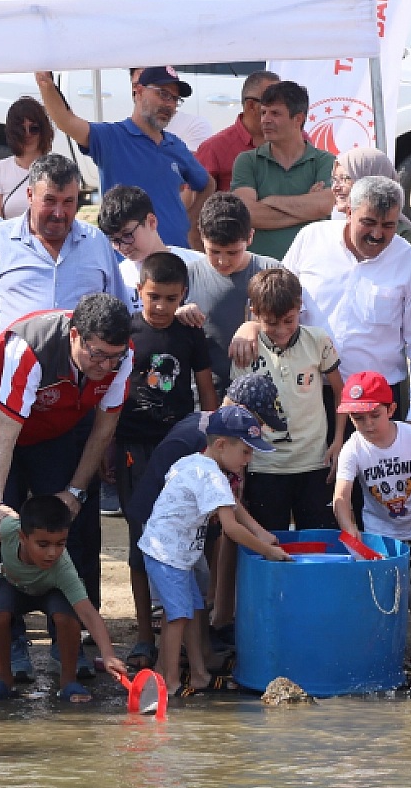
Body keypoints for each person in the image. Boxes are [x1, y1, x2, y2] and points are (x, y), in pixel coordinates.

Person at [0, 295, 134, 678]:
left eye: (114, 358)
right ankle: (13, 643)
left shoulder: (122, 356)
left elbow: (104, 430)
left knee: (66, 521)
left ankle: (68, 640)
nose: (105, 367)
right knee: (4, 521)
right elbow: (5, 436)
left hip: (56, 423)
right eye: (97, 355)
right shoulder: (29, 349)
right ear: (75, 336)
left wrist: (74, 491)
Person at [123, 372, 289, 647]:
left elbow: (227, 495)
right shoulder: (198, 439)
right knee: (148, 569)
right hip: (156, 515)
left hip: (192, 522)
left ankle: (198, 647)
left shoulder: (224, 438)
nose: (257, 432)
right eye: (258, 422)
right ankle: (146, 641)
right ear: (242, 411)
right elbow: (162, 493)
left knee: (193, 585)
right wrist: (266, 548)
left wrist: (259, 531)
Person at [138, 405, 290, 696]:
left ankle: (199, 674)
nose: (249, 460)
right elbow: (231, 528)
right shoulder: (212, 477)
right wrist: (268, 551)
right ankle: (168, 680)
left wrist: (260, 532)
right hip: (167, 555)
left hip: (174, 553)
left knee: (194, 609)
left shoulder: (194, 462)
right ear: (221, 444)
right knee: (177, 616)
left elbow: (230, 503)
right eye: (245, 452)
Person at [115, 251, 216, 666]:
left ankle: (197, 633)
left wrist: (210, 446)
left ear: (183, 296)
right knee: (141, 539)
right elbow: (111, 392)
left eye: (170, 298)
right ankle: (143, 633)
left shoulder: (192, 334)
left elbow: (207, 392)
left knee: (189, 536)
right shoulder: (125, 331)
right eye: (152, 296)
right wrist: (107, 448)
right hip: (132, 448)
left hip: (180, 449)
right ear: (139, 291)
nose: (160, 307)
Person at [263, 177, 411, 422]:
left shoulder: (410, 262)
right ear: (349, 212)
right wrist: (251, 326)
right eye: (368, 223)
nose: (377, 234)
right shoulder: (311, 239)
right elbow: (275, 299)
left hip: (375, 405)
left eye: (388, 226)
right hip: (305, 394)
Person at [0, 153, 130, 365]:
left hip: (78, 383)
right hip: (9, 380)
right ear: (30, 195)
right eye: (49, 200)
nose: (59, 213)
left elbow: (119, 313)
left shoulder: (97, 243)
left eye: (68, 202)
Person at [331, 371, 411, 668]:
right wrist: (350, 528)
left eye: (374, 415)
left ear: (391, 410)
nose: (367, 425)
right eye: (358, 419)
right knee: (382, 591)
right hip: (380, 530)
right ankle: (384, 645)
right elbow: (341, 495)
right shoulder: (353, 447)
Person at [33, 67, 210, 248]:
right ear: (138, 91)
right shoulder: (112, 138)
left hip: (178, 261)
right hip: (129, 264)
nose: (170, 104)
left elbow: (206, 183)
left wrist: (193, 221)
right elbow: (67, 121)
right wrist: (45, 84)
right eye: (163, 94)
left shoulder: (175, 145)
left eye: (175, 99)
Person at [0, 494, 126, 702]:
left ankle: (69, 681)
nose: (52, 554)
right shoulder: (9, 528)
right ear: (22, 537)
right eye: (43, 544)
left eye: (60, 544)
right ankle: (3, 677)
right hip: (13, 585)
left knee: (67, 616)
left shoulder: (63, 569)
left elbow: (89, 614)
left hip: (51, 592)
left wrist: (109, 655)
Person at [230, 267, 344, 531]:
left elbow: (340, 392)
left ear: (299, 307)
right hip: (264, 467)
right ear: (254, 314)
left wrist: (338, 441)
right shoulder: (245, 348)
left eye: (289, 320)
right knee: (270, 543)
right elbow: (237, 410)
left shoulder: (317, 340)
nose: (281, 330)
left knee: (317, 543)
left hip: (315, 463)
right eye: (271, 322)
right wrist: (240, 468)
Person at [182, 193, 279, 390]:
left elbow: (290, 325)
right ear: (201, 236)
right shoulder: (187, 275)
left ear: (250, 237)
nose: (222, 261)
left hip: (264, 394)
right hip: (205, 395)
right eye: (214, 251)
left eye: (233, 252)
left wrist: (255, 326)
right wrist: (178, 315)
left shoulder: (272, 272)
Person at [230, 81, 335, 261]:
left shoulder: (326, 161)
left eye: (275, 113)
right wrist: (308, 209)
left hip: (310, 267)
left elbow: (325, 205)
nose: (265, 120)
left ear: (298, 119)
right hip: (260, 271)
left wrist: (270, 201)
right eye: (263, 112)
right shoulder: (247, 161)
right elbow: (246, 214)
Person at [95, 184, 205, 294]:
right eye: (115, 240)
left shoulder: (198, 265)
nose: (122, 246)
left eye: (127, 235)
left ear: (151, 222)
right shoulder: (117, 279)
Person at [196, 69, 278, 193]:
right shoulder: (213, 148)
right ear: (251, 105)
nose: (281, 107)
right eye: (273, 101)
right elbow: (196, 205)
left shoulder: (298, 140)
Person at [327, 148, 411, 248]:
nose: (335, 187)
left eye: (345, 179)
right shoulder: (332, 231)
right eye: (334, 179)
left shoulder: (403, 237)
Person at [0, 97, 54, 221]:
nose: (27, 134)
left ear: (43, 130)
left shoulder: (57, 167)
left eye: (34, 128)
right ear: (12, 133)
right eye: (21, 129)